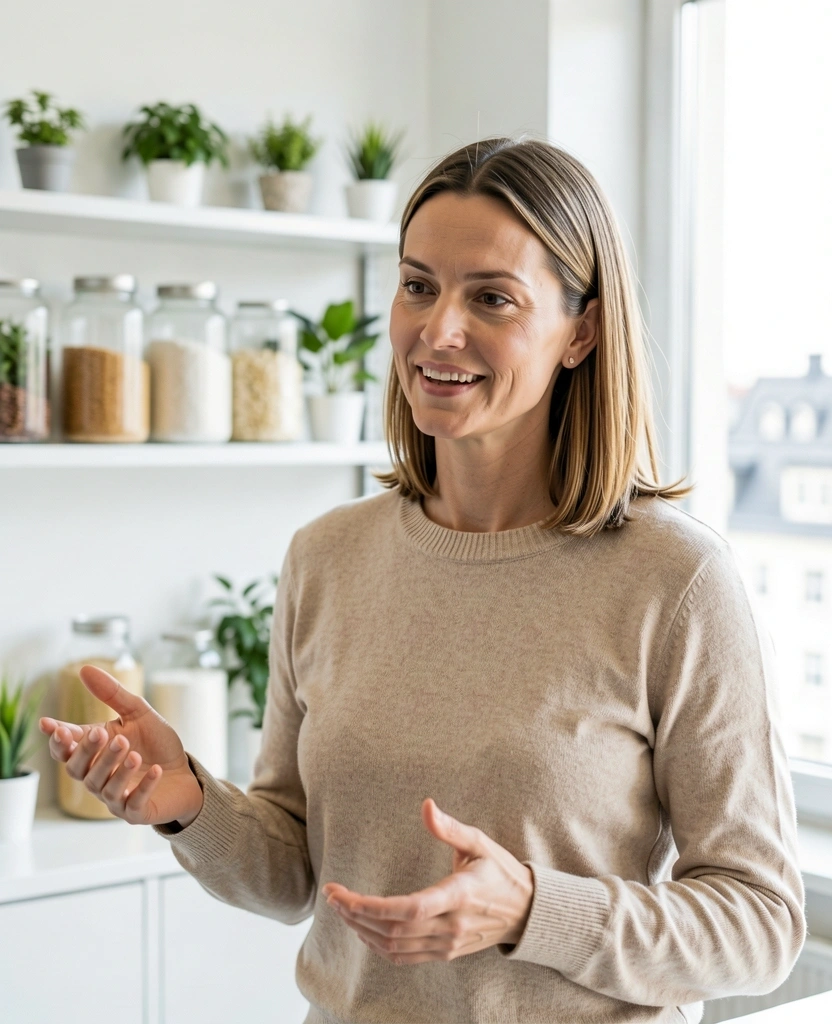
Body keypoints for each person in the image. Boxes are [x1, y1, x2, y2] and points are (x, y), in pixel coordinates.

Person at [40, 136, 806, 1024]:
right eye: (417, 285)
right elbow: (296, 873)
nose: (439, 330)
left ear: (582, 331)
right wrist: (185, 801)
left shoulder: (673, 579)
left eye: (492, 298)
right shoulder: (327, 557)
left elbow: (761, 923)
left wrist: (528, 908)